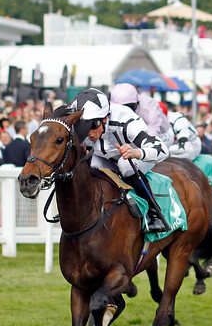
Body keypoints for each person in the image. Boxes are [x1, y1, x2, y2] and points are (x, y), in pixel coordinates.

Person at [71, 88, 170, 233]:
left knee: (125, 165)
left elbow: (162, 149)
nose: (89, 132)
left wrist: (136, 152)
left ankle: (155, 215)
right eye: (83, 126)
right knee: (90, 165)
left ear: (105, 119)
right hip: (106, 156)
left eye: (93, 125)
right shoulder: (84, 128)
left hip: (133, 156)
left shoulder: (125, 121)